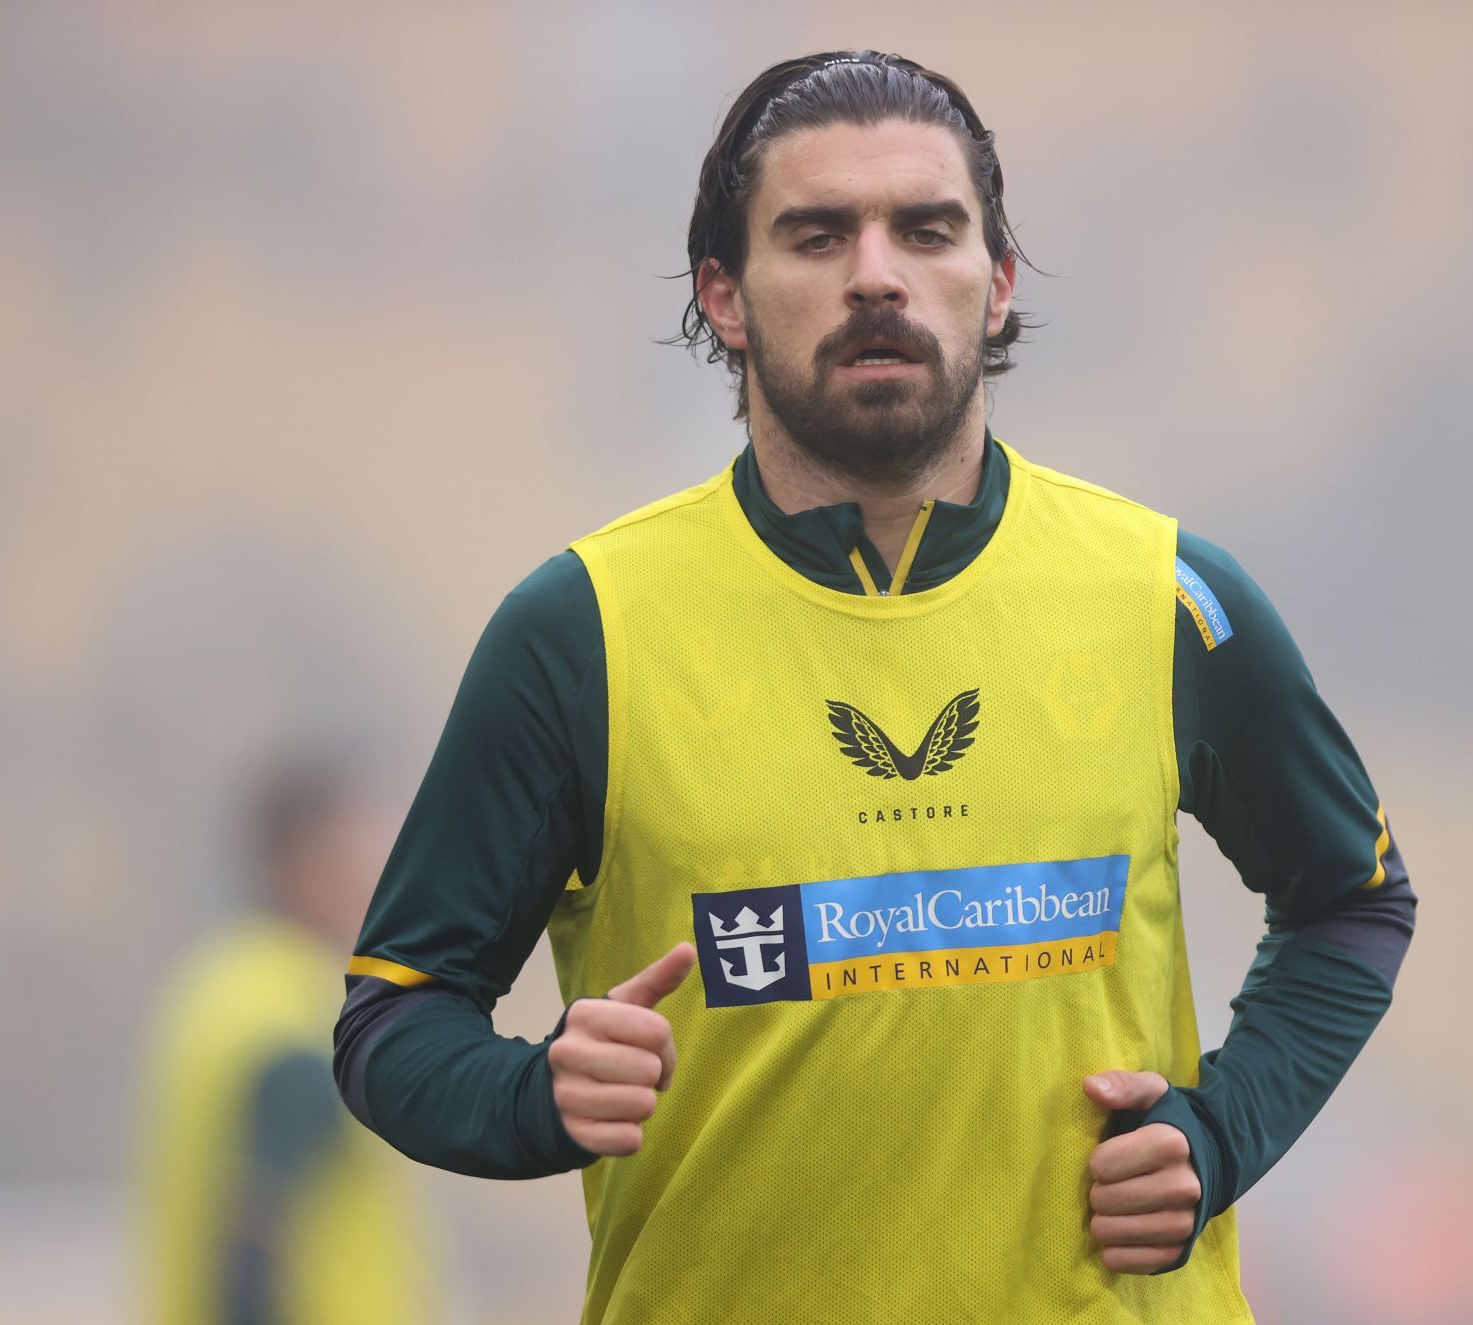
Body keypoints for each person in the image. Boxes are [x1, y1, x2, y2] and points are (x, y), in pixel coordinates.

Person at [334, 51, 1415, 1324]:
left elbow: (1351, 899)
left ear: (997, 285)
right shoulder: (581, 631)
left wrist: (1218, 1136)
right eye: (818, 235)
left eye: (927, 229)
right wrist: (533, 1096)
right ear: (724, 297)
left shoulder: (1173, 597)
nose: (878, 274)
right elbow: (394, 1020)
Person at [139, 758, 437, 1325]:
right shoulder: (292, 1018)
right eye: (363, 850)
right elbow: (250, 1248)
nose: (382, 877)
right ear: (308, 861)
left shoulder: (218, 989)